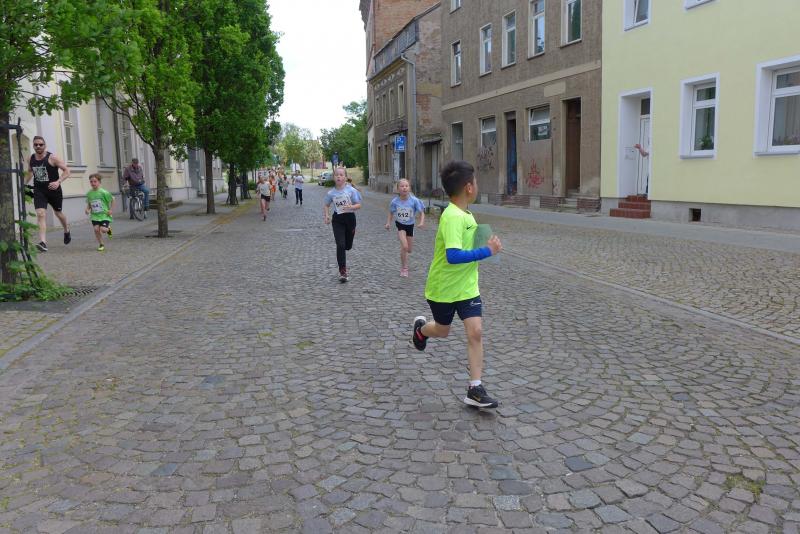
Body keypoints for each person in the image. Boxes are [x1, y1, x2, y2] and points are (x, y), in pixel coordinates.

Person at [411, 160, 503, 409]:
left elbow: (468, 246)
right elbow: (453, 256)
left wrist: (485, 242)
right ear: (469, 188)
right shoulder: (452, 216)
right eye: (475, 182)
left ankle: (475, 388)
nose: (477, 185)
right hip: (443, 288)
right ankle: (421, 331)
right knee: (442, 330)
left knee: (476, 332)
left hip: (467, 288)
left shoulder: (467, 214)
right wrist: (486, 250)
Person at [25, 136, 72, 252]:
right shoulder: (30, 158)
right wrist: (23, 184)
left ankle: (66, 229)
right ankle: (43, 242)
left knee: (58, 213)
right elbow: (30, 171)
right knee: (40, 214)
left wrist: (58, 182)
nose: (38, 146)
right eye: (36, 144)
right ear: (33, 146)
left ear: (45, 145)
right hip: (39, 190)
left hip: (54, 190)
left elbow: (67, 171)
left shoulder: (52, 158)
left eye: (41, 144)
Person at [323, 167, 362, 282]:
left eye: (341, 175)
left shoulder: (351, 190)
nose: (339, 177)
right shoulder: (331, 193)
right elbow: (326, 205)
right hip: (338, 220)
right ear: (334, 177)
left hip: (350, 219)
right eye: (336, 175)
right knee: (340, 245)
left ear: (345, 177)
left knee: (347, 246)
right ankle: (343, 271)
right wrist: (327, 215)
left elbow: (359, 205)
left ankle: (351, 233)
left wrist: (351, 207)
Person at [385, 178, 425, 277]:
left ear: (409, 188)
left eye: (406, 186)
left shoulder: (414, 201)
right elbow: (391, 212)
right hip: (400, 225)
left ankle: (405, 264)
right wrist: (388, 223)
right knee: (405, 246)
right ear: (398, 189)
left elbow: (421, 212)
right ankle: (404, 268)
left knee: (409, 249)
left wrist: (421, 222)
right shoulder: (395, 202)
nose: (404, 188)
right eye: (402, 186)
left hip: (410, 226)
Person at [85, 173, 114, 252]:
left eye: (95, 181)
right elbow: (89, 203)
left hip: (104, 215)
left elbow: (112, 200)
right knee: (96, 229)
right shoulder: (89, 193)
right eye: (91, 182)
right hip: (95, 215)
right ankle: (101, 244)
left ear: (99, 182)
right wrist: (87, 209)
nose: (93, 183)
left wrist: (111, 210)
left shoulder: (104, 192)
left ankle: (108, 229)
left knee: (103, 229)